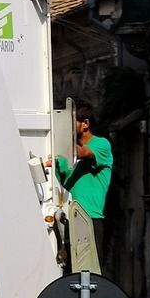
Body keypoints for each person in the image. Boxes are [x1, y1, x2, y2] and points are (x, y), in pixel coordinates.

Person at [55, 103, 112, 275]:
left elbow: (83, 153)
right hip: (67, 220)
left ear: (85, 124)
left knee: (90, 274)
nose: (67, 128)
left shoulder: (101, 145)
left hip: (90, 219)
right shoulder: (65, 154)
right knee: (68, 274)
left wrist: (59, 142)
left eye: (71, 122)